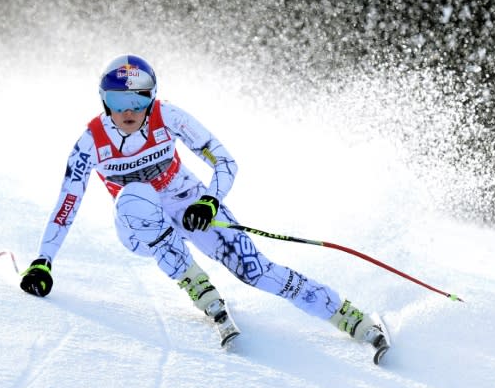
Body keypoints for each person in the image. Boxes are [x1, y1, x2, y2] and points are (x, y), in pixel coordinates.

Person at [20, 54, 387, 353]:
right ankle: (196, 284)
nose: (128, 111)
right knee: (135, 194)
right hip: (138, 226)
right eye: (118, 101)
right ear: (104, 100)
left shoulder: (169, 117)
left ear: (153, 98)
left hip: (190, 204)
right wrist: (43, 261)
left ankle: (347, 315)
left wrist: (210, 202)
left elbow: (226, 161)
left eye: (139, 99)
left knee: (257, 271)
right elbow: (68, 201)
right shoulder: (91, 141)